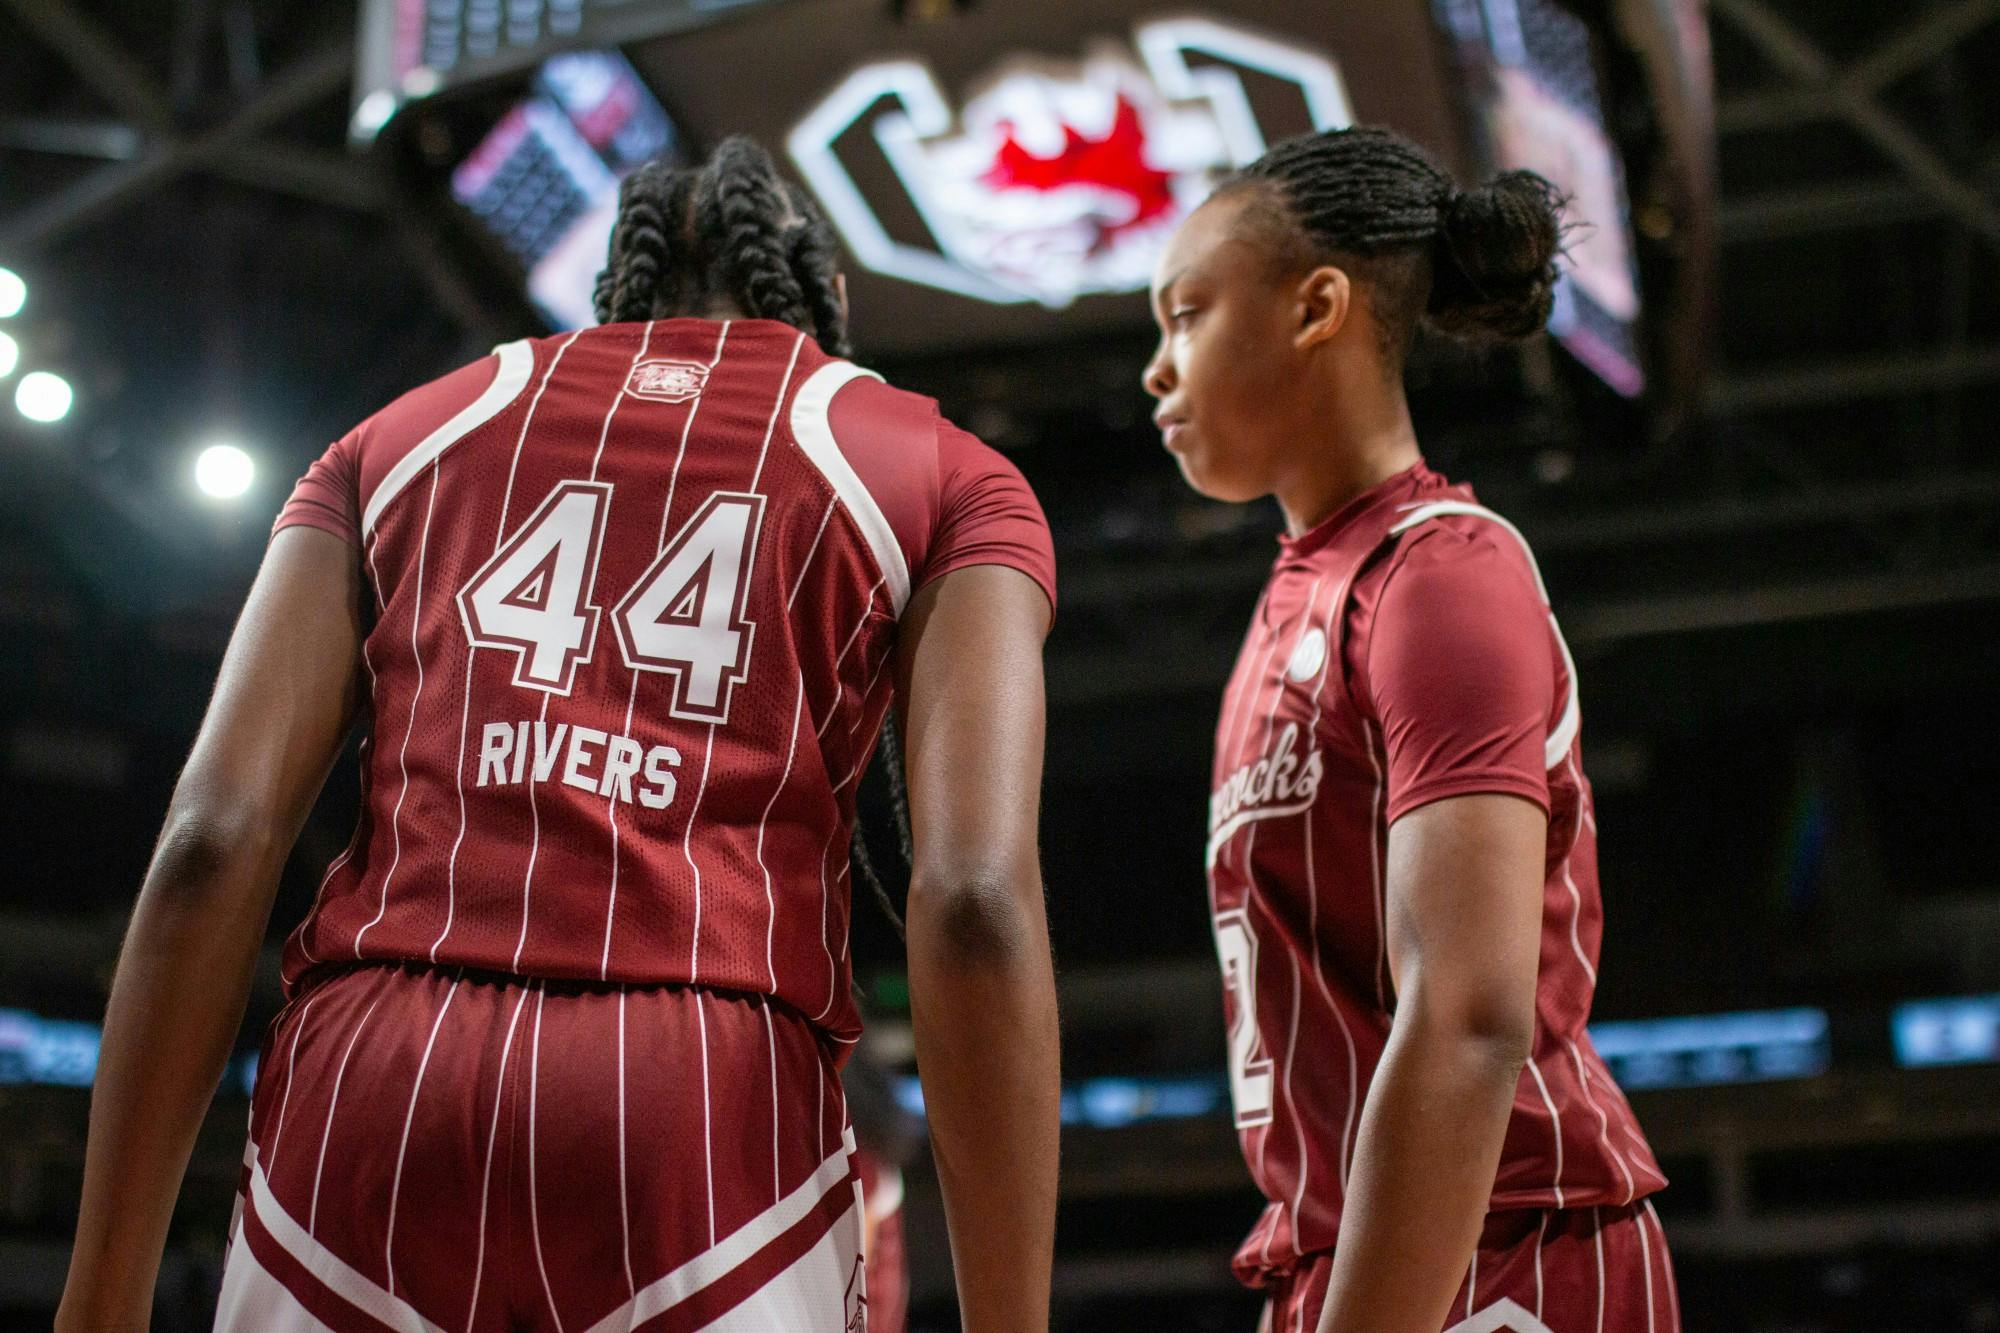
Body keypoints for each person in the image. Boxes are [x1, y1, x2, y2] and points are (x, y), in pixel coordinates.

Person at [57, 135, 1060, 1333]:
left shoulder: (395, 436)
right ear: (825, 295)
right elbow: (972, 899)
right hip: (705, 1100)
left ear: (612, 290)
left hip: (376, 1076)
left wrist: (99, 1295)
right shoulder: (948, 473)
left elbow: (212, 840)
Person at [1141, 126, 1677, 1333]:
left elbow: (1468, 1020)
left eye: (1184, 316)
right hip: (1358, 1254)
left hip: (1505, 1247)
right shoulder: (1295, 596)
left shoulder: (1441, 574)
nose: (1154, 372)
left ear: (1315, 307)